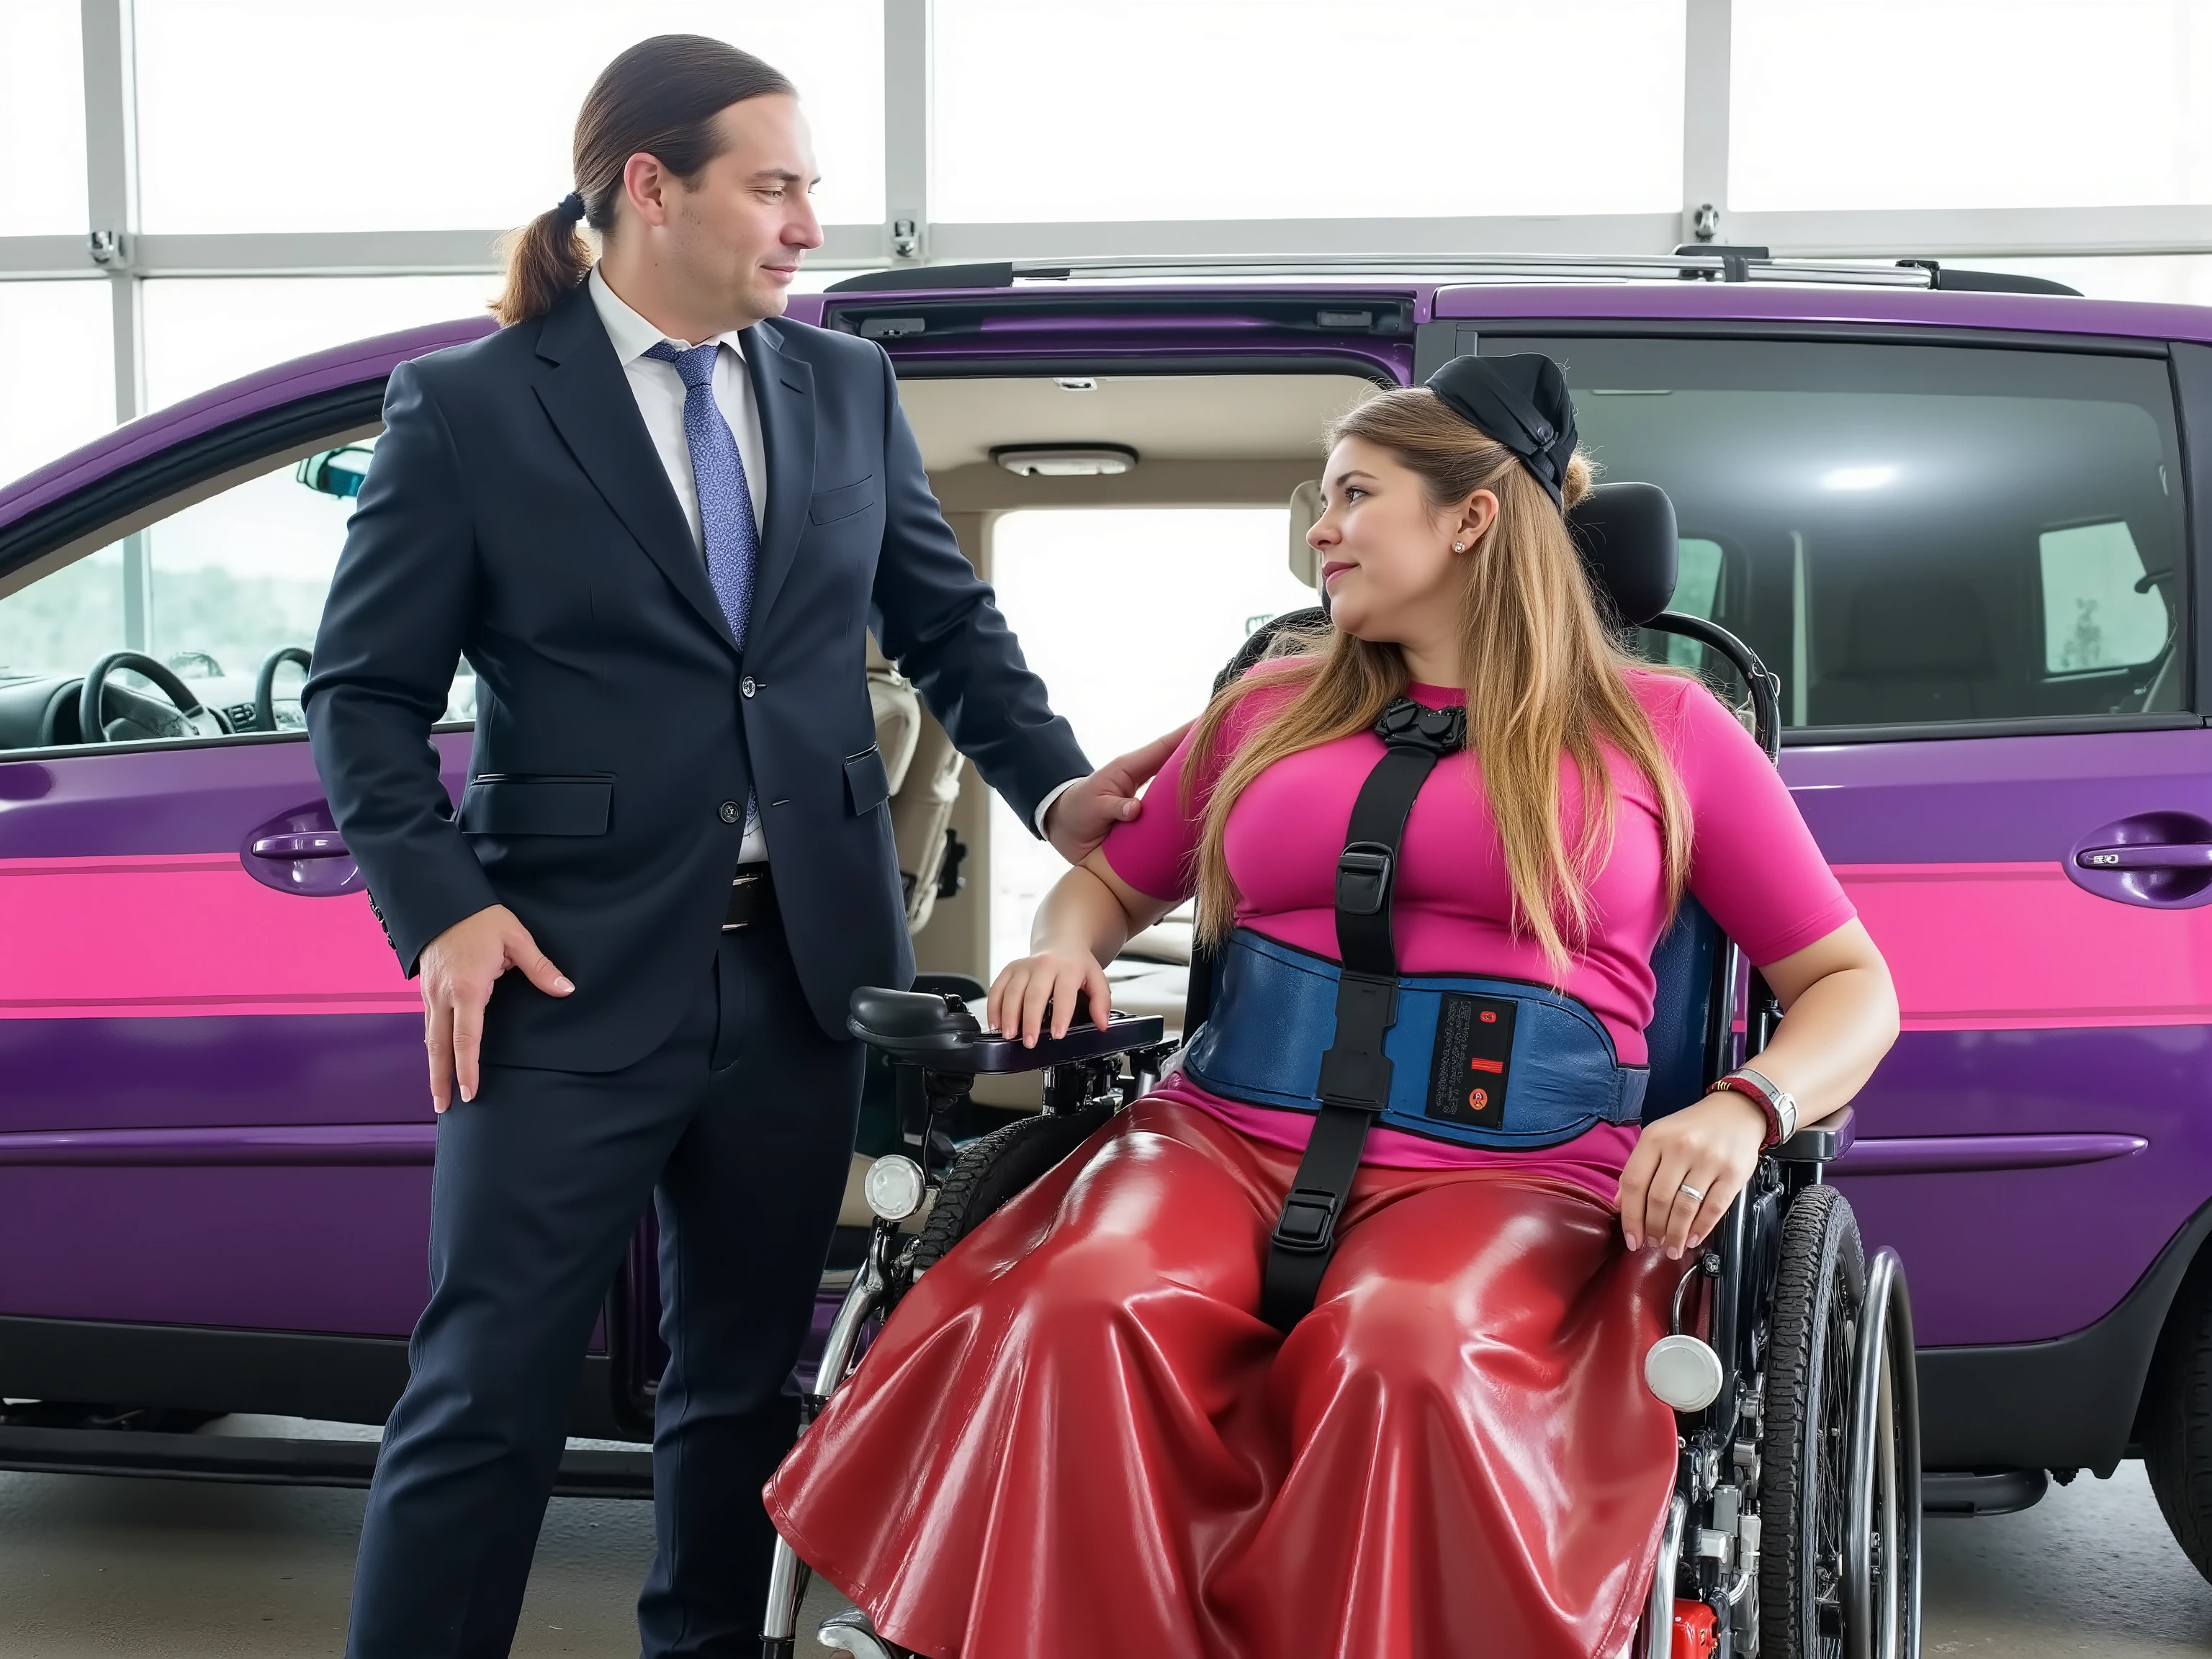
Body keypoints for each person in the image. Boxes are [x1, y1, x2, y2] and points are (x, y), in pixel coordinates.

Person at [763, 355, 1902, 1658]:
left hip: (1512, 1170)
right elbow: (1101, 892)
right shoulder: (1264, 711)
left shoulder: (1670, 735)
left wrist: (1746, 1108)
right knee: (1076, 1305)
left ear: (1470, 519)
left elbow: (1852, 987)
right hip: (1224, 1131)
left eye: (1355, 495)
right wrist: (1057, 946)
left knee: (1404, 1349)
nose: (1322, 529)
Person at [303, 35, 1171, 1659]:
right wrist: (443, 920)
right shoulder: (473, 407)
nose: (806, 226)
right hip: (563, 970)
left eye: (809, 190)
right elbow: (361, 697)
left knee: (740, 1384)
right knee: (485, 1392)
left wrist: (1058, 794)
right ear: (653, 187)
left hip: (804, 971)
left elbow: (949, 624)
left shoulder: (841, 386)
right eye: (774, 187)